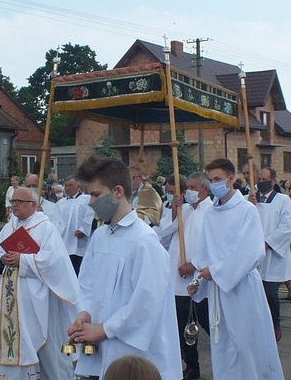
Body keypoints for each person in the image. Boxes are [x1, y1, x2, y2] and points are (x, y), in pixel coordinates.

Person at [68, 156, 182, 380]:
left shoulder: (144, 241)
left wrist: (104, 329)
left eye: (96, 195)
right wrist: (85, 313)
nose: (91, 202)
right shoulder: (100, 236)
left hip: (133, 351)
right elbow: (87, 285)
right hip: (100, 342)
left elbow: (147, 301)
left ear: (118, 191)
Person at [187, 158, 283, 379]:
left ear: (230, 179)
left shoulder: (247, 210)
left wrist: (217, 272)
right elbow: (204, 252)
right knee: (223, 345)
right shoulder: (211, 212)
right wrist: (198, 280)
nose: (214, 184)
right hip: (218, 289)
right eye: (211, 180)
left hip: (242, 289)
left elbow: (251, 252)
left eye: (218, 179)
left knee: (246, 345)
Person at [0, 187, 79, 380]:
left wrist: (24, 260)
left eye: (19, 202)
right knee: (14, 337)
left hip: (38, 297)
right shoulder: (9, 227)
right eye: (13, 202)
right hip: (12, 297)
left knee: (46, 344)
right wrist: (1, 260)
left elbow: (54, 261)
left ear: (33, 205)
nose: (14, 205)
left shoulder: (45, 227)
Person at [158, 173, 211, 380]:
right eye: (186, 187)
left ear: (205, 189)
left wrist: (194, 264)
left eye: (192, 187)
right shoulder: (183, 210)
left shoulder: (213, 211)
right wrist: (175, 211)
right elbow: (164, 233)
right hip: (177, 277)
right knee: (182, 326)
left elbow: (212, 245)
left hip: (201, 276)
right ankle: (191, 366)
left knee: (206, 322)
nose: (188, 191)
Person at [246, 167, 291, 342]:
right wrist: (249, 206)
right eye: (258, 179)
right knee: (253, 292)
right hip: (254, 254)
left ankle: (275, 323)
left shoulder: (283, 200)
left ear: (273, 181)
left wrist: (266, 244)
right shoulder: (250, 200)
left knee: (271, 293)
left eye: (264, 179)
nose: (260, 182)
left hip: (273, 255)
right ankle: (257, 325)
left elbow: (286, 227)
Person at [56, 176, 95, 275]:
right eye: (66, 186)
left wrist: (84, 230)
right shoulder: (60, 203)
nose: (67, 188)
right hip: (64, 240)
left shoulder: (87, 199)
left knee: (79, 270)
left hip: (80, 240)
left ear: (78, 186)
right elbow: (56, 220)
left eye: (70, 185)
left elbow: (91, 215)